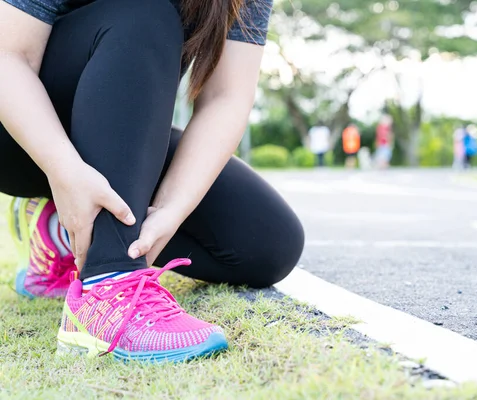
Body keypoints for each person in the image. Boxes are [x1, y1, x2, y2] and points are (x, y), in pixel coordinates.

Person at [0, 0, 305, 362]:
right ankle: (106, 290)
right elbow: (8, 56)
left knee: (267, 243)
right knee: (144, 9)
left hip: (114, 128)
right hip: (19, 129)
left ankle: (56, 232)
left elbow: (226, 97)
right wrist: (63, 170)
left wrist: (172, 207)